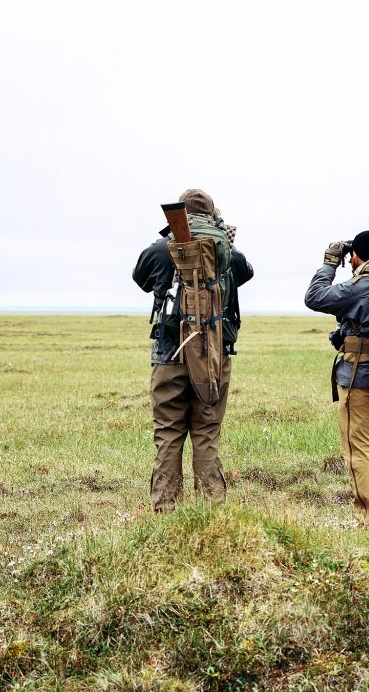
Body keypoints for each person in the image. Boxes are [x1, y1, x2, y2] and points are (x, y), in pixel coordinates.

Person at [132, 189, 253, 512]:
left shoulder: (160, 249)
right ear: (212, 215)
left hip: (168, 354)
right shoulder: (227, 251)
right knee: (206, 434)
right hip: (213, 355)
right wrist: (226, 238)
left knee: (169, 434)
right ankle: (211, 510)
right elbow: (246, 273)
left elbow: (140, 279)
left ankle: (165, 511)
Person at [304, 228, 369, 530]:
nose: (350, 260)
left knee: (358, 450)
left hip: (362, 378)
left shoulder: (362, 285)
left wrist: (329, 262)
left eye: (352, 255)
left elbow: (314, 297)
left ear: (360, 255)